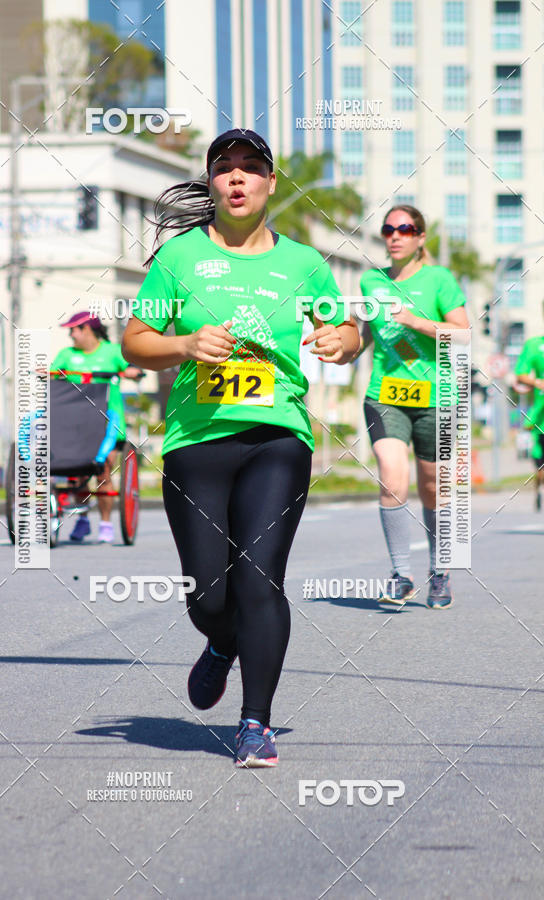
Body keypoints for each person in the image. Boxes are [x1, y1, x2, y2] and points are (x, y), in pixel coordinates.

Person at [122, 128, 359, 767]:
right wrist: (183, 344)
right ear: (211, 182)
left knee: (259, 579)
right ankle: (221, 642)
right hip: (197, 440)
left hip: (277, 437)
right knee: (208, 599)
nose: (237, 176)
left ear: (270, 184)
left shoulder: (303, 263)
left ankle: (256, 724)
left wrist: (342, 341)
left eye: (251, 167)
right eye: (224, 166)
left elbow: (344, 328)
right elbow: (135, 342)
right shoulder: (180, 259)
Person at [354, 205, 470, 609]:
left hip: (438, 398)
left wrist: (413, 320)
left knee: (434, 486)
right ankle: (401, 575)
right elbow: (366, 334)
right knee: (391, 475)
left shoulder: (439, 279)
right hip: (385, 394)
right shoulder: (370, 281)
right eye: (388, 229)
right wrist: (342, 347)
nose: (395, 236)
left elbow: (463, 334)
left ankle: (440, 571)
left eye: (404, 229)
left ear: (420, 237)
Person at [52, 311, 141, 543]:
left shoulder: (112, 352)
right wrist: (46, 373)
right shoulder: (67, 355)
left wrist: (133, 371)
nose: (71, 335)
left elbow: (131, 367)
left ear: (87, 329)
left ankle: (105, 523)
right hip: (77, 423)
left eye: (74, 330)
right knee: (76, 470)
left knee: (103, 471)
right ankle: (82, 519)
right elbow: (52, 373)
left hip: (108, 421)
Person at [515, 333, 544, 509]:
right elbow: (520, 374)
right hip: (539, 425)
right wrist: (536, 382)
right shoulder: (534, 345)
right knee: (540, 468)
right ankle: (538, 490)